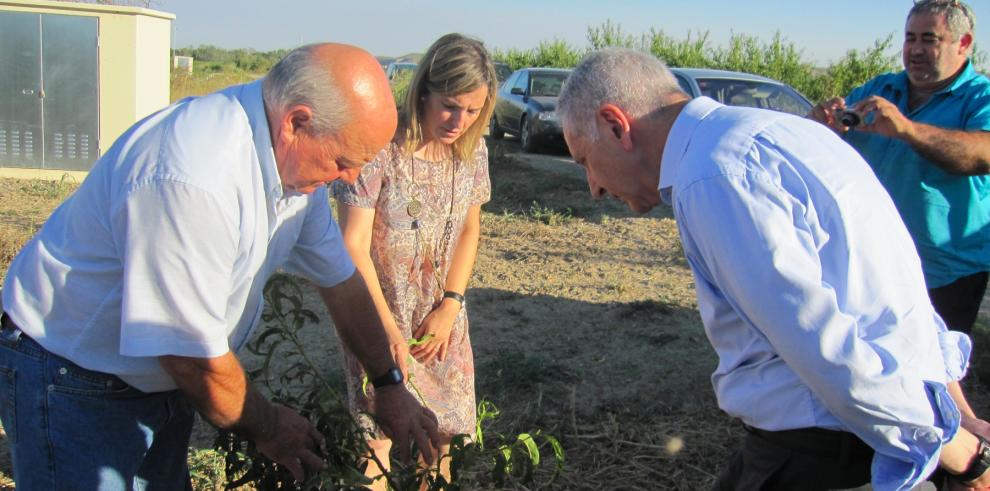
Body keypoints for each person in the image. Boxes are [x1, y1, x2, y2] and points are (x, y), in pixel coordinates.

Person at [0, 43, 441, 490]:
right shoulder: (194, 175)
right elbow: (189, 355)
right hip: (73, 377)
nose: (349, 179)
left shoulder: (295, 170)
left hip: (156, 379)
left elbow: (341, 280)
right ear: (297, 122)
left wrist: (387, 383)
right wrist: (268, 426)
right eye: (343, 162)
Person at [556, 47, 990, 491]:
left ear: (615, 125)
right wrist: (960, 424)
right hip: (893, 437)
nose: (594, 188)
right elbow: (901, 292)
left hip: (836, 459)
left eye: (585, 161)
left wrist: (963, 454)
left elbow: (826, 348)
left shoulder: (714, 176)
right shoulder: (790, 134)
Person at [331, 33, 496, 488]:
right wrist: (385, 334)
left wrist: (450, 305)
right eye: (449, 104)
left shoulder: (473, 151)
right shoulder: (382, 146)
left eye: (473, 109)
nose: (459, 120)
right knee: (377, 440)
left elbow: (468, 230)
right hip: (378, 311)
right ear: (423, 89)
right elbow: (353, 245)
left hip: (440, 319)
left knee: (444, 438)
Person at [809, 0, 990, 335]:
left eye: (929, 39)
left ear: (963, 44)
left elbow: (982, 154)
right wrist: (820, 124)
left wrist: (908, 130)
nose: (915, 49)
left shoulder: (980, 98)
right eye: (910, 38)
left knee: (935, 368)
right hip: (872, 258)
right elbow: (826, 145)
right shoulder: (880, 89)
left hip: (943, 272)